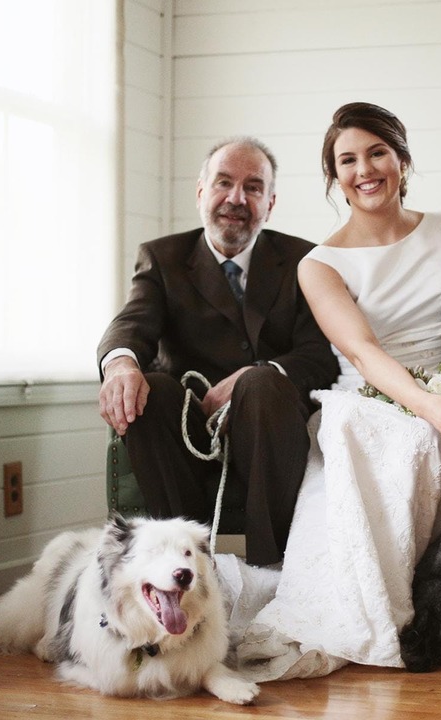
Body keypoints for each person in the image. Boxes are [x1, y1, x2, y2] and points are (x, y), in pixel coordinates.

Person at [226, 102, 441, 680]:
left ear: (402, 160)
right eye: (347, 160)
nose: (364, 169)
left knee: (436, 440)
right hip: (378, 397)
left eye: (377, 152)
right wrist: (426, 406)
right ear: (333, 176)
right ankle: (378, 611)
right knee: (388, 436)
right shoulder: (320, 264)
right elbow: (362, 351)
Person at [96, 137, 339, 567]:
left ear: (270, 203)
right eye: (223, 183)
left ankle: (265, 567)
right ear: (201, 192)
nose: (236, 198)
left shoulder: (304, 259)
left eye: (253, 187)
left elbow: (319, 354)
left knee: (262, 382)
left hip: (268, 421)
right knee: (150, 390)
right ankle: (186, 561)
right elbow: (132, 323)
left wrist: (254, 374)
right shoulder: (162, 258)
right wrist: (120, 365)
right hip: (188, 424)